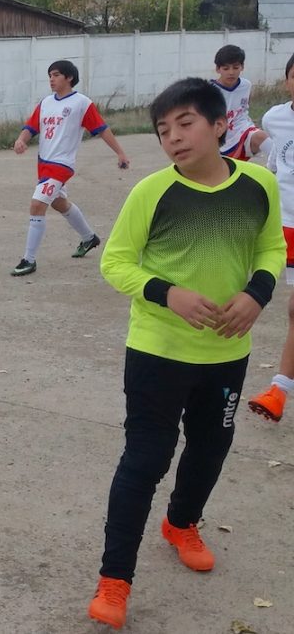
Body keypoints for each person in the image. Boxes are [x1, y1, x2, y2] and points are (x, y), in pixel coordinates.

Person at [88, 77, 285, 630]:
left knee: (212, 446)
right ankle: (114, 580)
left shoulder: (259, 184)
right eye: (162, 129)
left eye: (185, 123)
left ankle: (182, 523)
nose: (173, 137)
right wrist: (167, 293)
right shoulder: (151, 192)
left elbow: (271, 246)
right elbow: (116, 263)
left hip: (227, 352)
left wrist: (257, 294)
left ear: (221, 124)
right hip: (157, 350)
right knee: (146, 459)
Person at [11, 60, 130, 276]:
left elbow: (102, 129)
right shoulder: (46, 102)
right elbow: (31, 126)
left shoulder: (81, 103)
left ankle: (28, 260)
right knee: (58, 202)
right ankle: (89, 237)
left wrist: (120, 153)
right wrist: (21, 140)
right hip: (44, 164)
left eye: (56, 75)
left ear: (69, 78)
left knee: (37, 205)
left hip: (62, 165)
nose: (51, 79)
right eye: (49, 75)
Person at [246, 53, 294, 422]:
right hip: (280, 224)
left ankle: (279, 389)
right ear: (286, 81)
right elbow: (277, 161)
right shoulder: (276, 117)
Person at [212, 44, 273, 162]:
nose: (231, 72)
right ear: (218, 69)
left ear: (242, 67)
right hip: (219, 138)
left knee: (262, 137)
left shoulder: (246, 85)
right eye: (226, 68)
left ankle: (280, 167)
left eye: (235, 67)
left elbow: (244, 109)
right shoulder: (210, 90)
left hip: (242, 130)